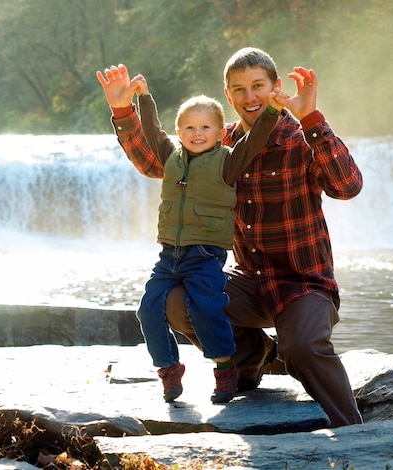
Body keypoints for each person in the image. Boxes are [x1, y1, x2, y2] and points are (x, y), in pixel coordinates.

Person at [96, 47, 363, 427]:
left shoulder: (302, 138)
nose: (249, 97)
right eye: (239, 89)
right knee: (178, 300)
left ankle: (353, 429)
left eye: (258, 86)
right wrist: (125, 111)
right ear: (228, 95)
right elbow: (159, 163)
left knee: (301, 349)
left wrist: (311, 118)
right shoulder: (217, 144)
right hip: (249, 282)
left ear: (275, 89)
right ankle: (250, 359)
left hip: (304, 284)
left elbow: (348, 186)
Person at [96, 68, 284, 403]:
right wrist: (143, 97)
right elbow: (152, 131)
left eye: (206, 127)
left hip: (205, 255)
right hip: (169, 255)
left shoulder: (228, 161)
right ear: (179, 131)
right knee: (148, 310)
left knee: (206, 308)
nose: (197, 134)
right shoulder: (171, 156)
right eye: (189, 128)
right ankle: (169, 368)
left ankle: (225, 367)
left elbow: (255, 139)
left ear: (219, 132)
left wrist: (272, 110)